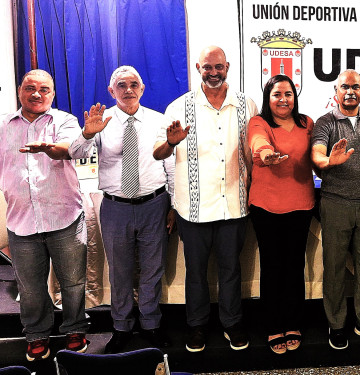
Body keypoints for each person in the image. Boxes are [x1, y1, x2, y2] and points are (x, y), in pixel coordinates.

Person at [154, 46, 258, 352]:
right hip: (193, 208)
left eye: (219, 67)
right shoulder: (179, 106)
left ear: (227, 66)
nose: (213, 73)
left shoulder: (245, 104)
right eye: (207, 68)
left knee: (231, 270)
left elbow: (253, 150)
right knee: (196, 273)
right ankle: (197, 326)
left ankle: (232, 323)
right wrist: (170, 144)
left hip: (235, 205)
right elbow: (158, 153)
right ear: (198, 68)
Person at [70, 66, 175, 353]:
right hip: (115, 207)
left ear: (142, 89)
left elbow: (170, 165)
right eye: (121, 85)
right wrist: (86, 134)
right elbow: (75, 154)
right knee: (120, 272)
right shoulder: (100, 122)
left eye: (133, 84)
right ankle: (121, 327)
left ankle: (151, 324)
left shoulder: (158, 120)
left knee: (153, 270)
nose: (128, 89)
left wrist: (173, 206)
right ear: (110, 91)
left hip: (154, 204)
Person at [0, 70, 90, 361]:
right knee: (30, 286)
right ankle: (37, 334)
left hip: (64, 216)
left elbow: (69, 149)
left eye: (44, 89)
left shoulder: (64, 120)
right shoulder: (3, 126)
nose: (36, 93)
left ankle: (75, 328)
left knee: (73, 282)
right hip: (21, 219)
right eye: (30, 88)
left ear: (52, 94)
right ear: (19, 91)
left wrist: (50, 149)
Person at [311, 69, 360, 349]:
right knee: (333, 268)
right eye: (345, 86)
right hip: (335, 204)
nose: (350, 92)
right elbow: (317, 156)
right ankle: (336, 325)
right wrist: (329, 161)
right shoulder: (325, 123)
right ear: (335, 91)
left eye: (355, 87)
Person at [247, 74, 314, 354]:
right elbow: (258, 142)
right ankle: (274, 325)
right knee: (273, 267)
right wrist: (265, 154)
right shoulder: (259, 122)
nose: (283, 99)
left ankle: (293, 321)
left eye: (288, 94)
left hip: (301, 205)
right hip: (266, 207)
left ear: (294, 96)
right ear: (268, 97)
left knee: (294, 266)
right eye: (277, 94)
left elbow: (316, 155)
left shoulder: (307, 123)